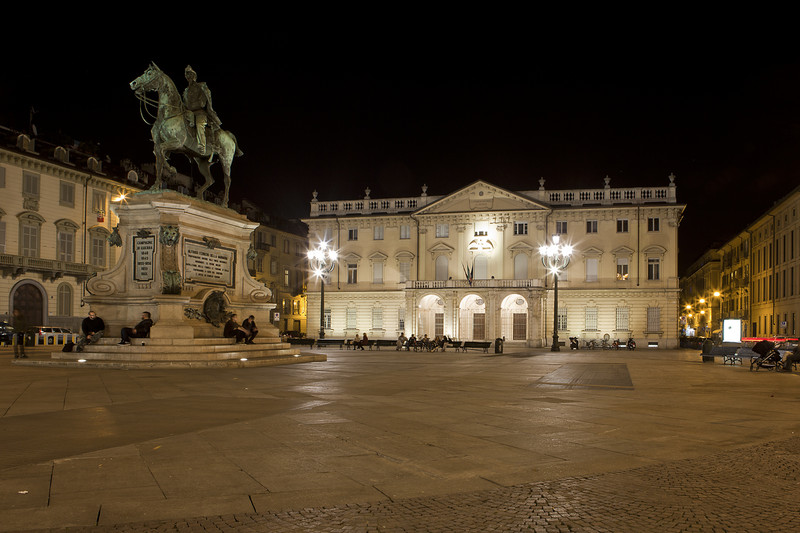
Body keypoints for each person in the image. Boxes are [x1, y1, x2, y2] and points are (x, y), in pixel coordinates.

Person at [182, 65, 221, 156]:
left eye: (190, 75)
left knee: (200, 125)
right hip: (189, 113)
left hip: (200, 112)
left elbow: (203, 103)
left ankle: (202, 146)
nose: (188, 77)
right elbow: (185, 104)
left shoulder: (201, 86)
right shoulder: (186, 91)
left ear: (194, 76)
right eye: (187, 75)